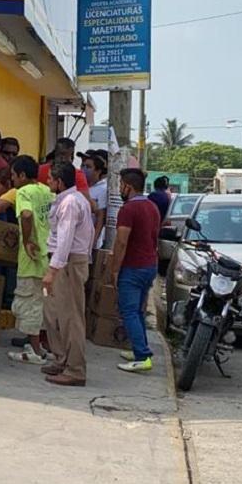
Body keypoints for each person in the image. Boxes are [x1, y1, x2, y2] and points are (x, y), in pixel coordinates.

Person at [41, 162, 94, 386]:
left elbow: (65, 239)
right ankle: (61, 358)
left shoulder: (71, 203)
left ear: (60, 182)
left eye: (51, 179)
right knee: (53, 314)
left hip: (68, 263)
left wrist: (53, 270)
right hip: (63, 260)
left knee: (71, 318)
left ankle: (75, 368)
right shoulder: (69, 200)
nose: (47, 182)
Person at [108, 168, 160, 373]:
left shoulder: (128, 210)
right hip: (149, 265)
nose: (120, 189)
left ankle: (142, 356)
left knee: (128, 311)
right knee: (138, 311)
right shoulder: (152, 206)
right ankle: (141, 348)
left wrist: (114, 269)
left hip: (132, 267)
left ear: (128, 187)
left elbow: (121, 241)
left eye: (121, 185)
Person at [6, 156, 55, 365]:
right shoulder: (46, 191)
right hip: (48, 255)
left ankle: (35, 351)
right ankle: (39, 347)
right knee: (40, 304)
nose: (12, 180)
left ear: (22, 176)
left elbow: (26, 215)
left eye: (13, 176)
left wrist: (26, 240)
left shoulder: (23, 192)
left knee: (28, 305)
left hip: (31, 258)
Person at [84, 154, 108, 250]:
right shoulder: (80, 186)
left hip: (90, 241)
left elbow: (100, 218)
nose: (84, 169)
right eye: (83, 166)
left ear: (98, 171)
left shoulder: (103, 189)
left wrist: (93, 242)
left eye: (89, 167)